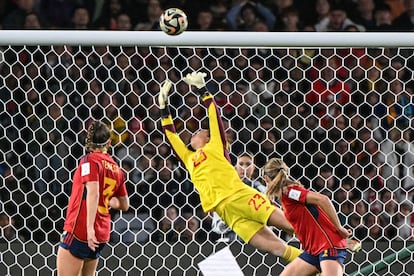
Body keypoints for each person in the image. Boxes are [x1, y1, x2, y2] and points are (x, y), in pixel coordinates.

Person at [158, 71, 302, 263]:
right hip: (227, 213)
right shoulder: (188, 158)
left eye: (200, 131)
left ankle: (335, 242)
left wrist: (203, 90)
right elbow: (171, 136)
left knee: (291, 226)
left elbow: (214, 116)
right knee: (277, 249)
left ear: (208, 138)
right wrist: (163, 107)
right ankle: (321, 269)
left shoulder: (216, 145)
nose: (195, 133)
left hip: (241, 197)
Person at [262, 157, 360, 276]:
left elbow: (323, 199)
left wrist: (339, 228)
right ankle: (343, 241)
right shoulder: (285, 198)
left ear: (266, 179)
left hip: (327, 246)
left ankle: (340, 240)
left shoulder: (290, 192)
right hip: (313, 250)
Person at [56, 120, 129, 276]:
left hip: (81, 229)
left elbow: (93, 192)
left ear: (88, 141)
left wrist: (89, 230)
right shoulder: (116, 168)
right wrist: (106, 199)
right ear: (109, 142)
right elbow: (124, 204)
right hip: (102, 231)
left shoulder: (89, 161)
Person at [211, 153, 267, 242]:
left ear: (254, 167)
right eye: (241, 164)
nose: (244, 168)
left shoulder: (262, 191)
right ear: (235, 167)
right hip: (230, 239)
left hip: (257, 238)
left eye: (248, 164)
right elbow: (216, 225)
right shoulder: (224, 191)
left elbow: (270, 220)